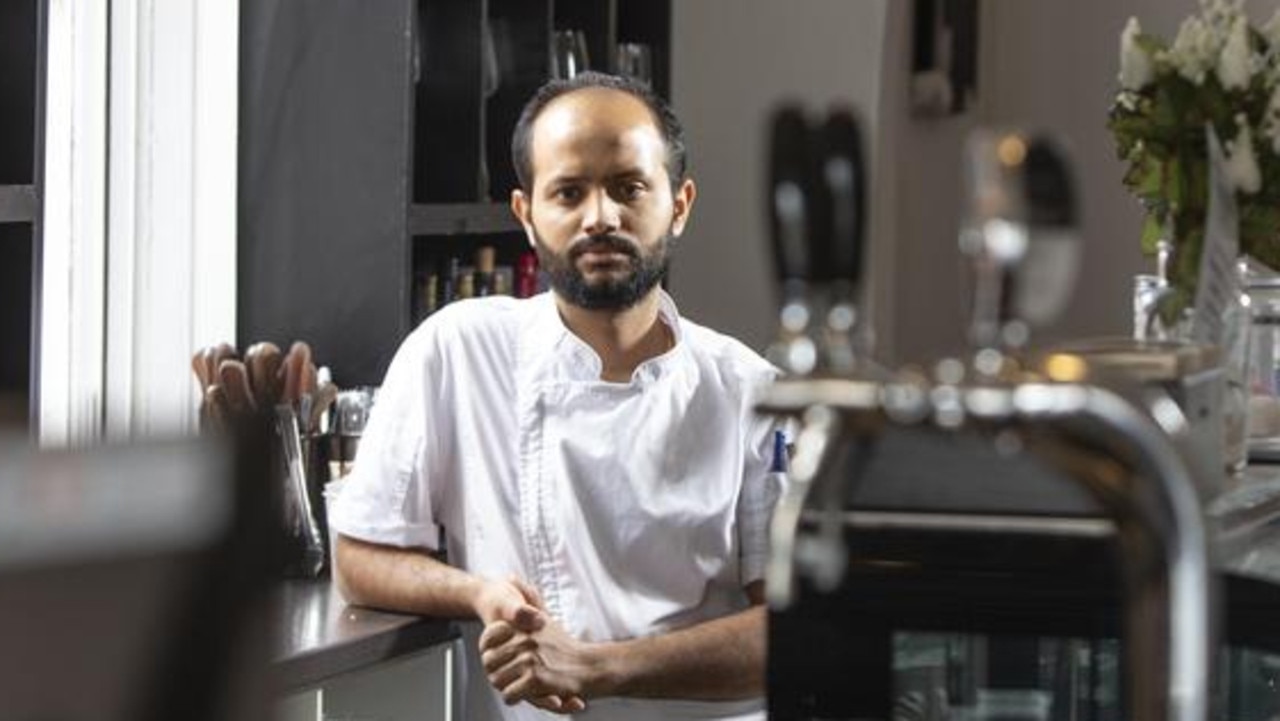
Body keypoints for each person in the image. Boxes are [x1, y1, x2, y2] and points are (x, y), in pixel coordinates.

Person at [329, 71, 785, 720]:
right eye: (568, 192)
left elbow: (797, 632)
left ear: (679, 205)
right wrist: (481, 591)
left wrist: (599, 666)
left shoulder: (749, 389)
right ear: (527, 215)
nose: (600, 216)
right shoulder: (457, 350)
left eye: (629, 187)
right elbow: (358, 556)